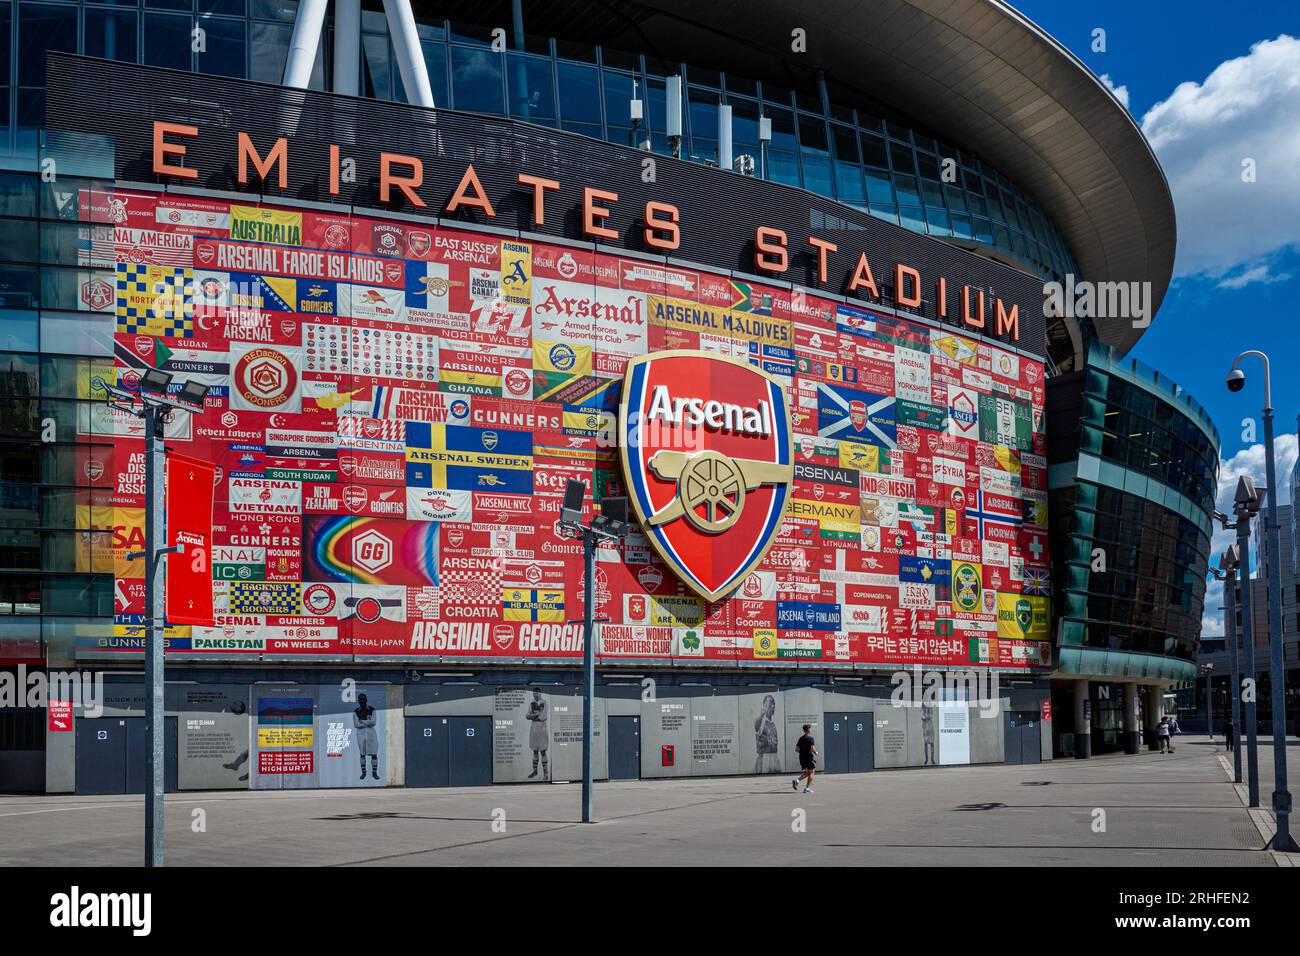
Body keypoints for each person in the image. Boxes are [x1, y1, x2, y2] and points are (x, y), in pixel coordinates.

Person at [354, 692, 380, 781]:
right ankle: (363, 773)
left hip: (371, 734)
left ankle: (374, 773)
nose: (362, 701)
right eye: (360, 699)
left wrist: (362, 721)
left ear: (366, 700)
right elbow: (356, 725)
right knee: (362, 754)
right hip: (360, 735)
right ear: (358, 701)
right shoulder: (356, 712)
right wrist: (367, 723)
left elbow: (373, 722)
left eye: (363, 699)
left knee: (374, 754)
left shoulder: (372, 710)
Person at [525, 689, 549, 781]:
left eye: (537, 693)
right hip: (534, 728)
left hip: (542, 728)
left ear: (540, 693)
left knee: (543, 751)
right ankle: (535, 771)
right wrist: (535, 715)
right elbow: (527, 715)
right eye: (534, 693)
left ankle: (545, 773)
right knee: (535, 751)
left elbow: (543, 717)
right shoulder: (531, 704)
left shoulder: (545, 703)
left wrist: (533, 715)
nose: (535, 695)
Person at [754, 695, 779, 774]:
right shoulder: (761, 721)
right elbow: (757, 727)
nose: (773, 705)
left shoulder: (773, 724)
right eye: (771, 702)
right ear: (765, 705)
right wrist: (761, 716)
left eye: (774, 703)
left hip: (774, 756)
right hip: (764, 757)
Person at [792, 724, 817, 793]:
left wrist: (803, 752)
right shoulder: (810, 738)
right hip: (808, 758)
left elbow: (796, 749)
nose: (811, 730)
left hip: (802, 758)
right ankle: (806, 789)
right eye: (810, 728)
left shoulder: (801, 738)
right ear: (808, 730)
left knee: (808, 772)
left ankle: (797, 781)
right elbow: (812, 748)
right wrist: (816, 752)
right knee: (812, 772)